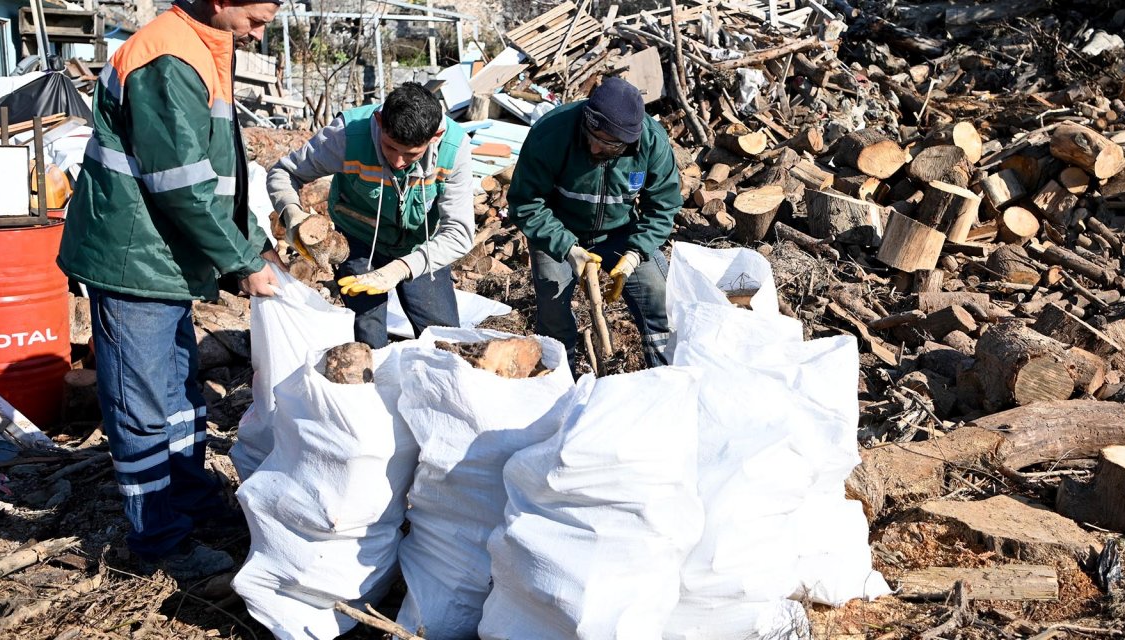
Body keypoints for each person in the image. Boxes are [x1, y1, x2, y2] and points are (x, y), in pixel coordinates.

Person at [58, 0, 284, 579]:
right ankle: (158, 539)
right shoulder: (168, 57)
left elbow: (217, 176)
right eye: (258, 17)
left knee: (179, 393)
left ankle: (188, 497)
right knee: (141, 405)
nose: (262, 30)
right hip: (134, 259)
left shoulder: (203, 46)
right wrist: (241, 261)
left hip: (163, 257)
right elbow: (180, 184)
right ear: (223, 1)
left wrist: (254, 242)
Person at [267, 83, 474, 347]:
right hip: (359, 239)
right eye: (390, 147)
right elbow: (284, 172)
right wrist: (292, 214)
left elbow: (459, 233)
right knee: (368, 332)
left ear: (436, 136)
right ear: (379, 121)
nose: (398, 162)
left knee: (443, 336)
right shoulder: (347, 135)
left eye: (411, 154)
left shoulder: (454, 148)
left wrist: (401, 268)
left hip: (421, 244)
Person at [508, 77, 682, 369]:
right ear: (587, 122)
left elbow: (663, 205)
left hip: (621, 232)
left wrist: (636, 253)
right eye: (594, 138)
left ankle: (667, 376)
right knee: (553, 312)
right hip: (558, 230)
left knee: (659, 299)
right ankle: (561, 380)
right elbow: (526, 202)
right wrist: (567, 247)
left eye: (610, 146)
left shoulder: (651, 142)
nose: (597, 149)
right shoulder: (551, 134)